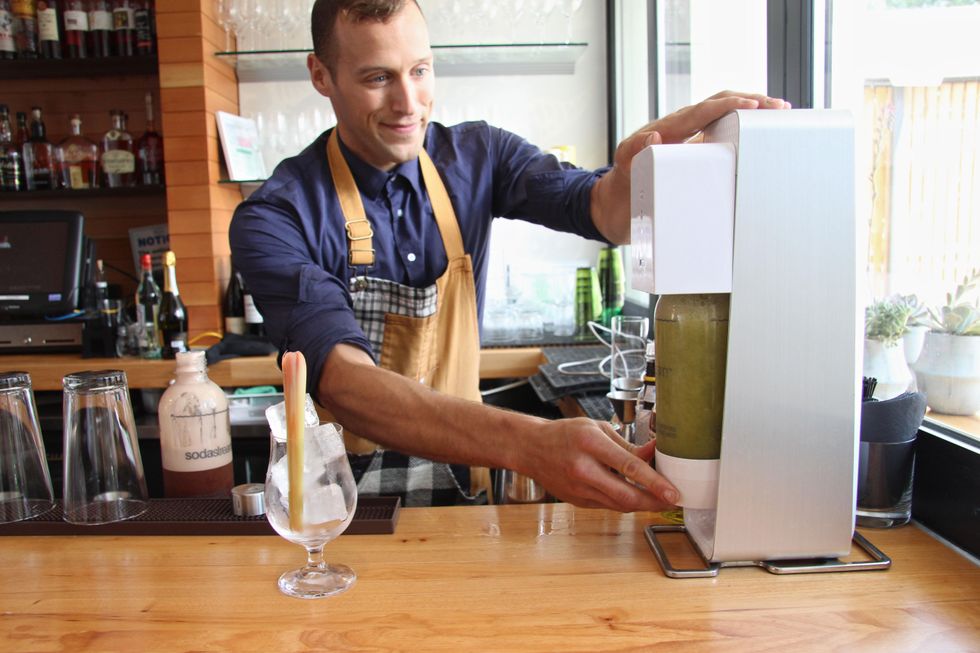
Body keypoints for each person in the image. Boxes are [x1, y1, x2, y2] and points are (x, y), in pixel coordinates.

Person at [229, 0, 789, 509]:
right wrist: (530, 443)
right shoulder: (276, 215)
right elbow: (344, 384)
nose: (408, 102)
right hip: (340, 509)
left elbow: (603, 213)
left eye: (420, 71)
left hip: (463, 491)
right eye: (377, 78)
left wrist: (634, 173)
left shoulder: (477, 157)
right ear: (320, 75)